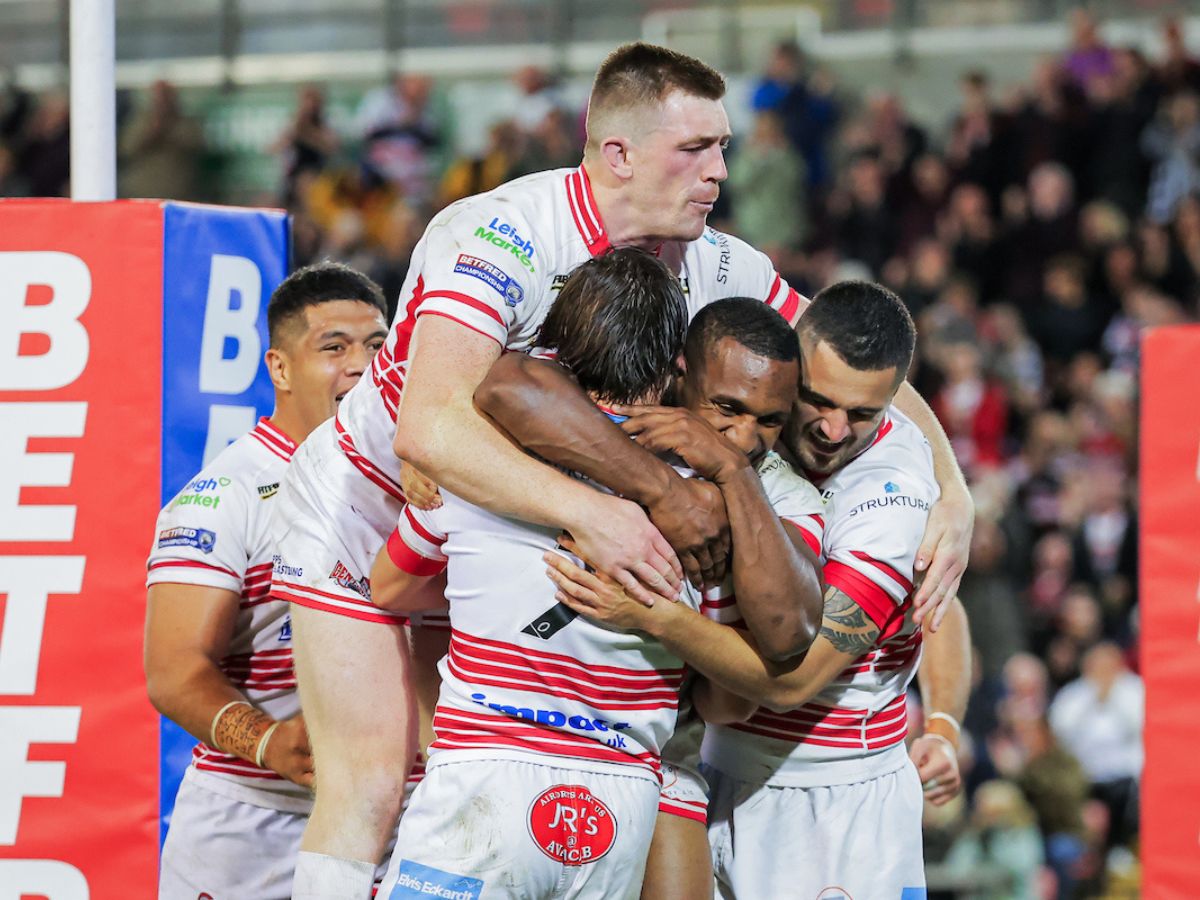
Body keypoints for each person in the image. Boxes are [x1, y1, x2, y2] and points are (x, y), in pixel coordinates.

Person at [275, 41, 973, 890]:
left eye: (722, 148)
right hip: (374, 502)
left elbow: (853, 368)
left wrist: (954, 491)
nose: (718, 169)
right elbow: (433, 427)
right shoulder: (501, 231)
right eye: (696, 149)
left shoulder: (721, 260)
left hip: (506, 516)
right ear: (618, 154)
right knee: (376, 786)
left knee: (546, 767)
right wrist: (615, 509)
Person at [367, 259, 824, 899]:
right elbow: (730, 699)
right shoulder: (712, 521)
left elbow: (387, 588)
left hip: (489, 767)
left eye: (766, 422)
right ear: (675, 372)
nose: (742, 438)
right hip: (624, 797)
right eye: (726, 409)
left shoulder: (485, 459)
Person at [547, 281, 971, 898]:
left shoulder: (892, 502)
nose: (830, 429)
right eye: (816, 401)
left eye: (861, 414)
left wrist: (653, 614)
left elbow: (795, 680)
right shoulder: (754, 413)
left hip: (831, 801)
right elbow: (943, 606)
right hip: (711, 767)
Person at [144, 263, 389, 899]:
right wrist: (269, 742)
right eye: (333, 348)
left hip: (386, 820)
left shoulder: (414, 479)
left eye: (377, 346)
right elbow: (174, 672)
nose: (361, 366)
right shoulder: (223, 497)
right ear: (279, 369)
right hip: (252, 824)